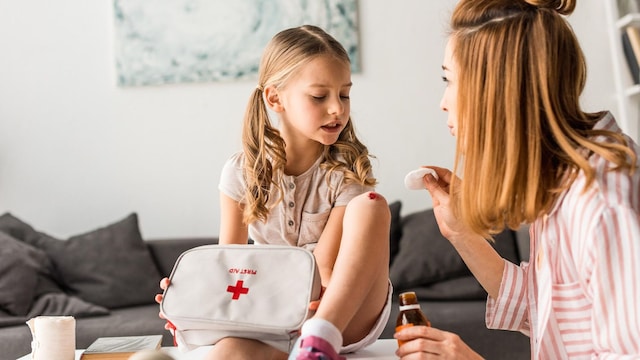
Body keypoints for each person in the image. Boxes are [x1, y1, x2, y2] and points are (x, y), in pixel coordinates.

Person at [395, 0, 640, 359]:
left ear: (494, 92)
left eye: (449, 80)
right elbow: (543, 309)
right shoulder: (562, 181)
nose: (443, 103)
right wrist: (461, 234)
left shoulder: (602, 204)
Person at [156, 25, 392, 360]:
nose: (337, 109)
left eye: (344, 94)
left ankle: (319, 342)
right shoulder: (241, 173)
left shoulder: (344, 174)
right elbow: (230, 264)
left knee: (370, 206)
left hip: (339, 312)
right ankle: (305, 352)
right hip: (275, 316)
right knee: (226, 353)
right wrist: (193, 300)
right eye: (319, 96)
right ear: (274, 97)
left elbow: (322, 272)